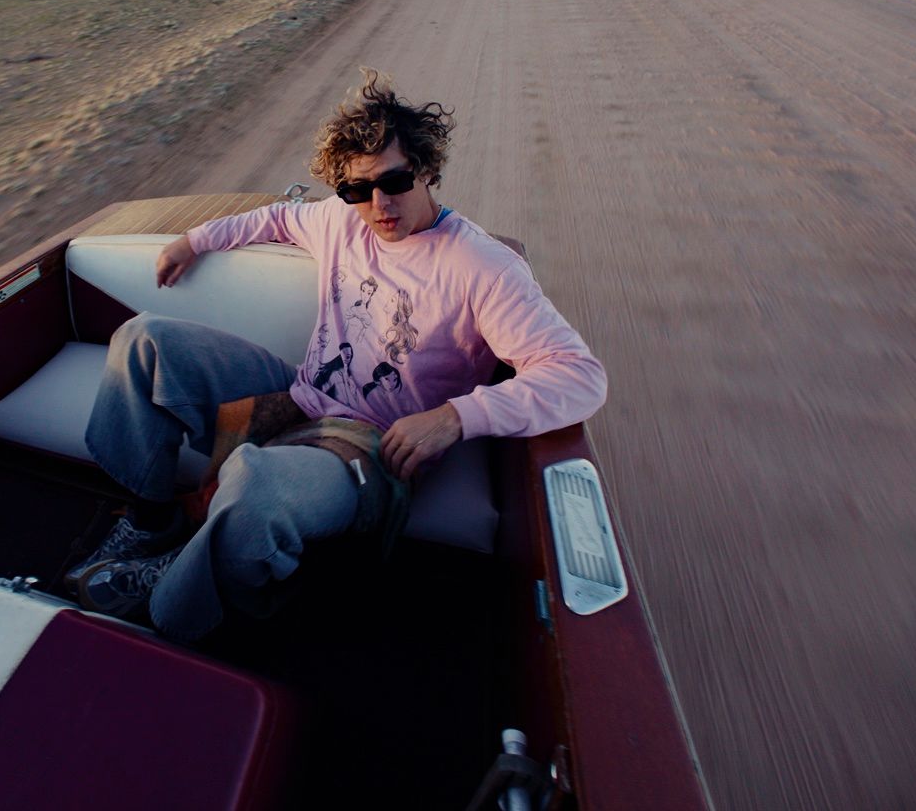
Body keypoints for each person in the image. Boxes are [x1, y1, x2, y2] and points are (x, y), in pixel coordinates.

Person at [67, 68, 607, 640]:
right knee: (144, 339)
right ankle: (150, 519)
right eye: (357, 190)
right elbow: (276, 216)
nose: (379, 204)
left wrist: (454, 417)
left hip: (378, 448)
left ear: (427, 169)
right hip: (300, 397)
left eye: (395, 181)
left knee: (255, 485)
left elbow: (579, 377)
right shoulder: (339, 219)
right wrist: (194, 241)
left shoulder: (484, 267)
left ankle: (170, 603)